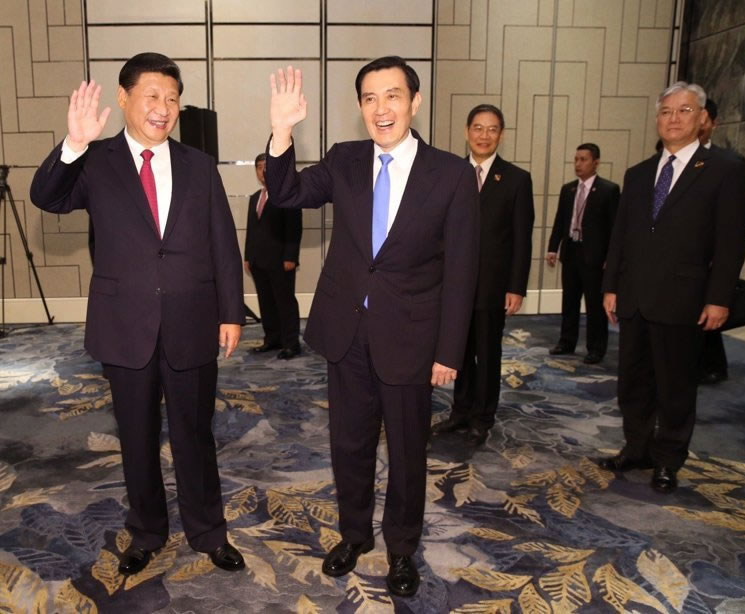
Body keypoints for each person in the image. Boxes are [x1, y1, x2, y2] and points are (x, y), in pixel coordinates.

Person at [264, 58, 479, 597]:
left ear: (415, 102)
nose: (381, 109)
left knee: (407, 453)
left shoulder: (451, 174)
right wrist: (282, 131)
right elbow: (287, 193)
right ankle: (355, 535)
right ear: (360, 106)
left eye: (392, 96)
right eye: (369, 98)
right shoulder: (345, 159)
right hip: (347, 333)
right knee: (349, 444)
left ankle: (402, 549)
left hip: (412, 336)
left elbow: (462, 271)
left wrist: (449, 351)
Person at [30, 53, 246, 574]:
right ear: (123, 98)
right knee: (138, 438)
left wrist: (231, 312)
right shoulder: (96, 161)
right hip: (125, 326)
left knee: (195, 435)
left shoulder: (198, 165)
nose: (163, 108)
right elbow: (46, 197)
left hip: (192, 322)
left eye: (172, 98)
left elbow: (222, 242)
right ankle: (147, 532)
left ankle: (208, 531)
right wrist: (74, 143)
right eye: (152, 95)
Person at [598, 82, 745, 494]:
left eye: (684, 110)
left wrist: (719, 298)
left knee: (676, 387)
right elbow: (621, 235)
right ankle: (637, 448)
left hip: (684, 299)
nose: (674, 118)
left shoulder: (725, 169)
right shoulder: (639, 173)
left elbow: (731, 240)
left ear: (702, 118)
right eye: (666, 111)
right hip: (635, 297)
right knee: (633, 383)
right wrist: (611, 286)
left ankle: (668, 459)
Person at [431, 104, 533, 446]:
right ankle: (460, 411)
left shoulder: (517, 179)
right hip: (452, 286)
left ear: (501, 135)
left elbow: (521, 238)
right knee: (457, 351)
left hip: (492, 286)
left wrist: (516, 286)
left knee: (487, 355)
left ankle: (482, 418)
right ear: (466, 132)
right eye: (478, 128)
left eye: (492, 129)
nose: (484, 135)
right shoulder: (450, 174)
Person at [546, 144, 620, 364]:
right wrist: (553, 247)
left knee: (595, 304)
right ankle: (566, 341)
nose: (578, 164)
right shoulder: (568, 189)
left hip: (595, 257)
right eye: (576, 159)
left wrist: (611, 258)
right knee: (569, 300)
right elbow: (560, 221)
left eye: (583, 160)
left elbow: (615, 228)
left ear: (596, 162)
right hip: (571, 252)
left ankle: (596, 348)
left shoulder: (609, 190)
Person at [696, 98, 745, 384]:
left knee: (708, 317)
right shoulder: (665, 158)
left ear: (714, 123)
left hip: (711, 259)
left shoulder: (729, 165)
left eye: (703, 118)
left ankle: (714, 365)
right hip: (679, 261)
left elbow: (734, 227)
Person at [244, 152, 303, 359]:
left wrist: (291, 257)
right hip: (258, 261)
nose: (263, 171)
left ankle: (291, 343)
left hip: (280, 261)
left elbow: (294, 228)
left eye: (267, 167)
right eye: (259, 167)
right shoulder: (255, 198)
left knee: (285, 303)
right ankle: (272, 339)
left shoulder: (287, 195)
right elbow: (252, 229)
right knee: (266, 302)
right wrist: (248, 256)